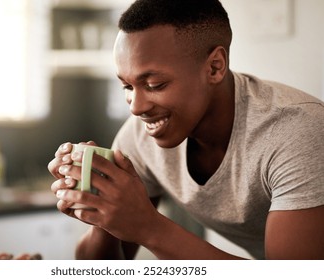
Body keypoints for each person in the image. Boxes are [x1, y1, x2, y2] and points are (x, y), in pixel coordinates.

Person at [48, 0, 324, 260]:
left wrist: (147, 226)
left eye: (154, 85)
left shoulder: (298, 131)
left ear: (215, 67)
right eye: (128, 87)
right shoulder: (140, 135)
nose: (136, 107)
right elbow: (96, 268)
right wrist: (102, 211)